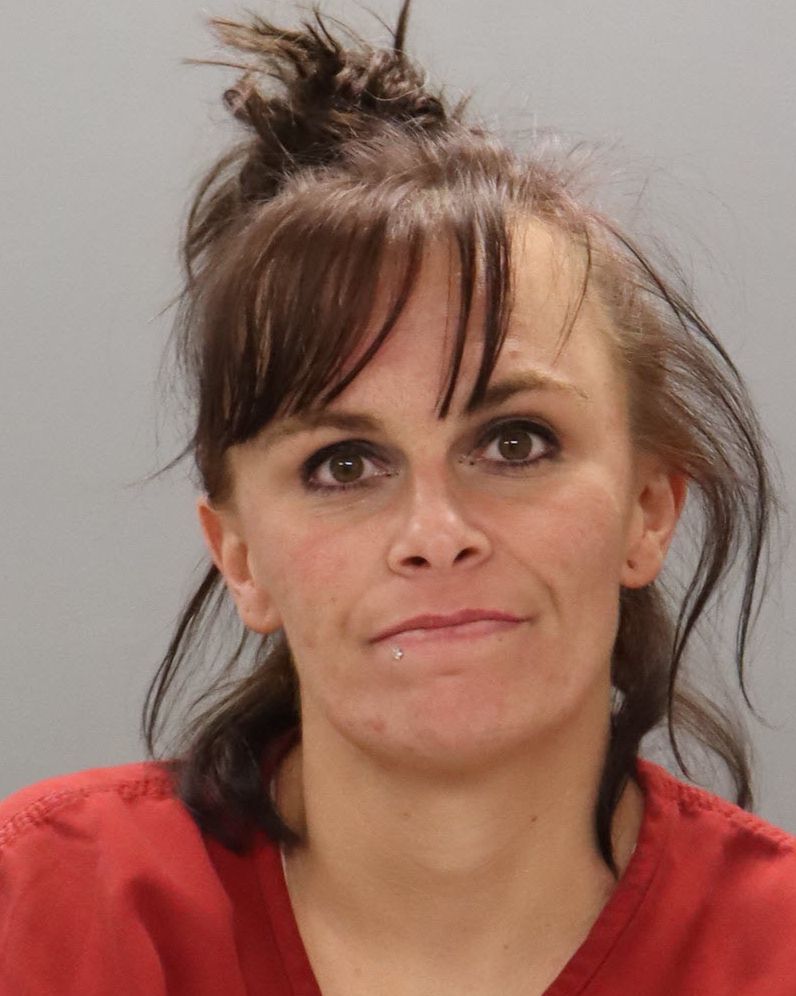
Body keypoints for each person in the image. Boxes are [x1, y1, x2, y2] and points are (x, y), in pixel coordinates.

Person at [1, 4, 794, 994]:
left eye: (514, 443)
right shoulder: (38, 916)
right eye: (343, 465)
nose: (435, 534)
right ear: (239, 556)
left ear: (649, 509)